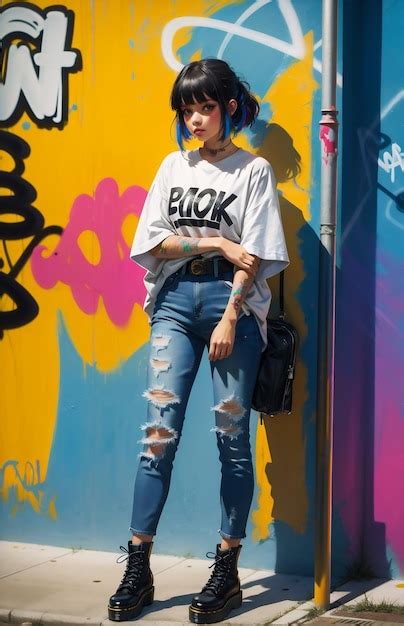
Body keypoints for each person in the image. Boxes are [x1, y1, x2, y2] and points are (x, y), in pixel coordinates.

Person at [108, 58, 289, 624]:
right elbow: (153, 244)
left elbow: (255, 253)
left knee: (232, 438)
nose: (194, 118)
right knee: (158, 434)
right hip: (174, 304)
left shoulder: (253, 172)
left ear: (228, 107)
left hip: (228, 307)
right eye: (186, 109)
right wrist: (213, 240)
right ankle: (138, 566)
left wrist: (233, 315)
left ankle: (228, 569)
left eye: (204, 107)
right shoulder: (172, 167)